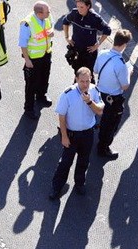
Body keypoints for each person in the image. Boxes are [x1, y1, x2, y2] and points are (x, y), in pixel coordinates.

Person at [50, 66, 105, 200]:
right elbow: (61, 116)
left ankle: (79, 183)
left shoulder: (94, 90)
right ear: (76, 79)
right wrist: (64, 136)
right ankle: (57, 187)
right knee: (65, 163)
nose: (85, 84)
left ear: (91, 79)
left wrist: (89, 102)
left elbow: (100, 110)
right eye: (82, 81)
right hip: (71, 135)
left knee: (83, 161)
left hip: (87, 134)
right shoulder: (67, 94)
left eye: (87, 81)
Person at [94, 29, 131, 159]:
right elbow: (125, 86)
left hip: (100, 93)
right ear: (124, 45)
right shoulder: (121, 64)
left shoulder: (103, 53)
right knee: (111, 124)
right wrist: (129, 74)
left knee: (102, 116)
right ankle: (103, 148)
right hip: (113, 98)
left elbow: (96, 70)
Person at [19, 2, 55, 119]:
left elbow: (51, 26)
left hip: (46, 54)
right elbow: (23, 44)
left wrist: (52, 32)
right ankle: (28, 108)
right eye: (47, 12)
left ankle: (41, 96)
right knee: (31, 84)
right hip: (34, 59)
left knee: (45, 77)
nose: (49, 13)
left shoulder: (47, 17)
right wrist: (27, 60)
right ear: (39, 13)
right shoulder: (27, 24)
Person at [62, 0, 111, 80]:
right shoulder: (74, 13)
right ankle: (77, 89)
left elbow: (108, 30)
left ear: (88, 6)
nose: (79, 9)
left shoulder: (95, 18)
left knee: (88, 76)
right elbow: (65, 21)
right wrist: (67, 37)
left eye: (82, 7)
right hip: (76, 50)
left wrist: (97, 44)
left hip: (89, 53)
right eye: (77, 6)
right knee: (77, 74)